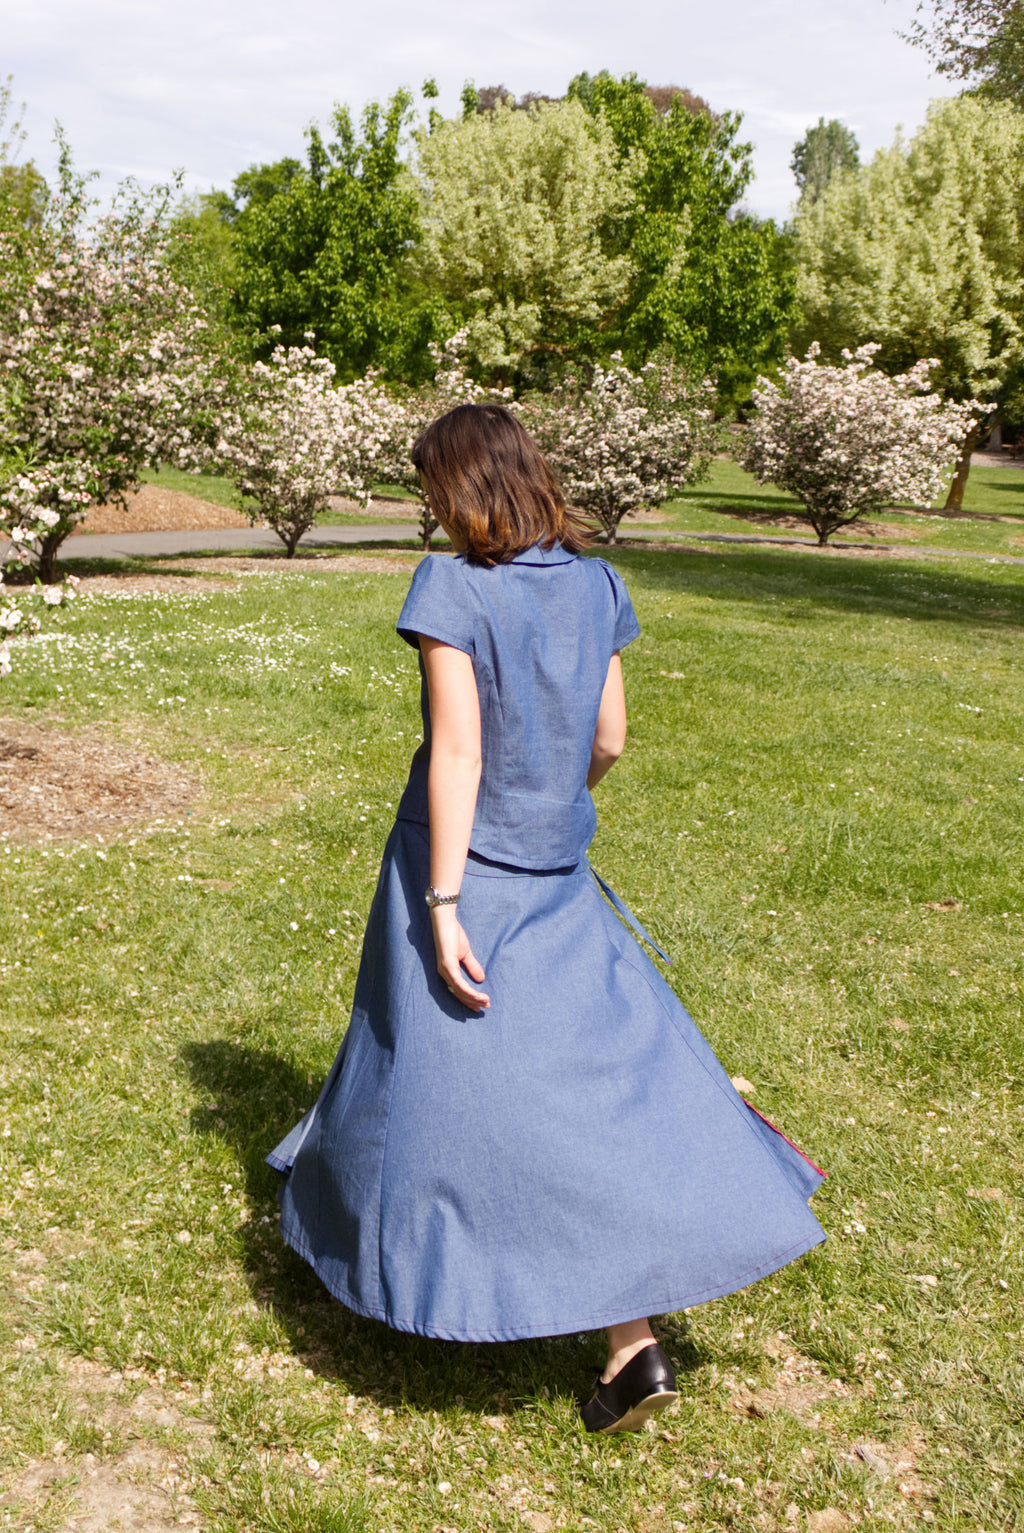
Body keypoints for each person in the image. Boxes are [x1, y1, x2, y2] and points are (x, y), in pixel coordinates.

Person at [267, 404, 825, 1433]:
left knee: (441, 1076)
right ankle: (630, 1338)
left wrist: (442, 901)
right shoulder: (598, 583)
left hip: (461, 863)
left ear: (457, 489)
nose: (431, 509)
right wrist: (556, 807)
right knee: (586, 1076)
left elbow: (459, 752)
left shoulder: (450, 585)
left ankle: (402, 1253)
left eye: (431, 488)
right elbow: (609, 738)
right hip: (557, 861)